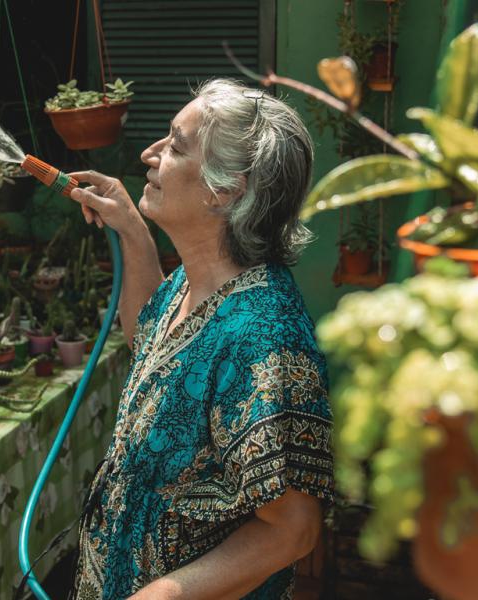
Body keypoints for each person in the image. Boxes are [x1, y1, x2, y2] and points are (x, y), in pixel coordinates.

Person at [66, 78, 334, 599]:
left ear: (226, 189)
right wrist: (133, 232)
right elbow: (153, 347)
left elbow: (294, 527)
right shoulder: (193, 284)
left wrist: (166, 593)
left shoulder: (264, 335)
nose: (150, 154)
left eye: (174, 145)